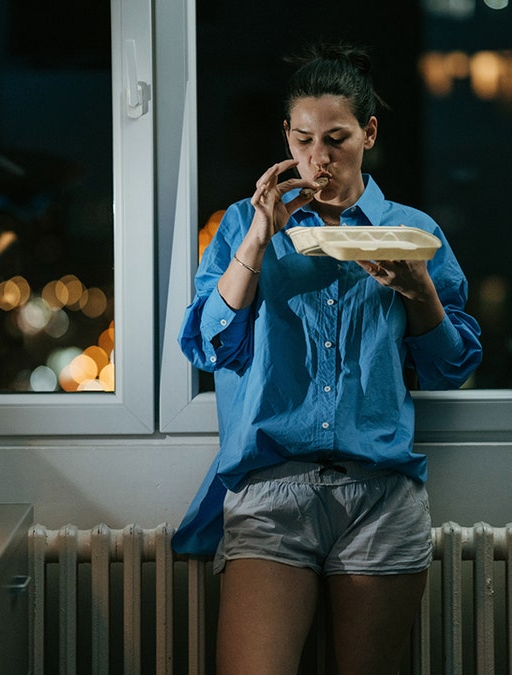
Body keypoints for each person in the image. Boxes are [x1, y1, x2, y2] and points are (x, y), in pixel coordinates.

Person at [174, 41, 483, 675]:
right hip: (271, 488)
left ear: (368, 134)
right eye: (304, 139)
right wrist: (259, 240)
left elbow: (452, 367)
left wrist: (420, 291)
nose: (319, 158)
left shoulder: (410, 232)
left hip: (379, 491)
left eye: (337, 139)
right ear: (286, 138)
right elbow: (209, 346)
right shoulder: (243, 224)